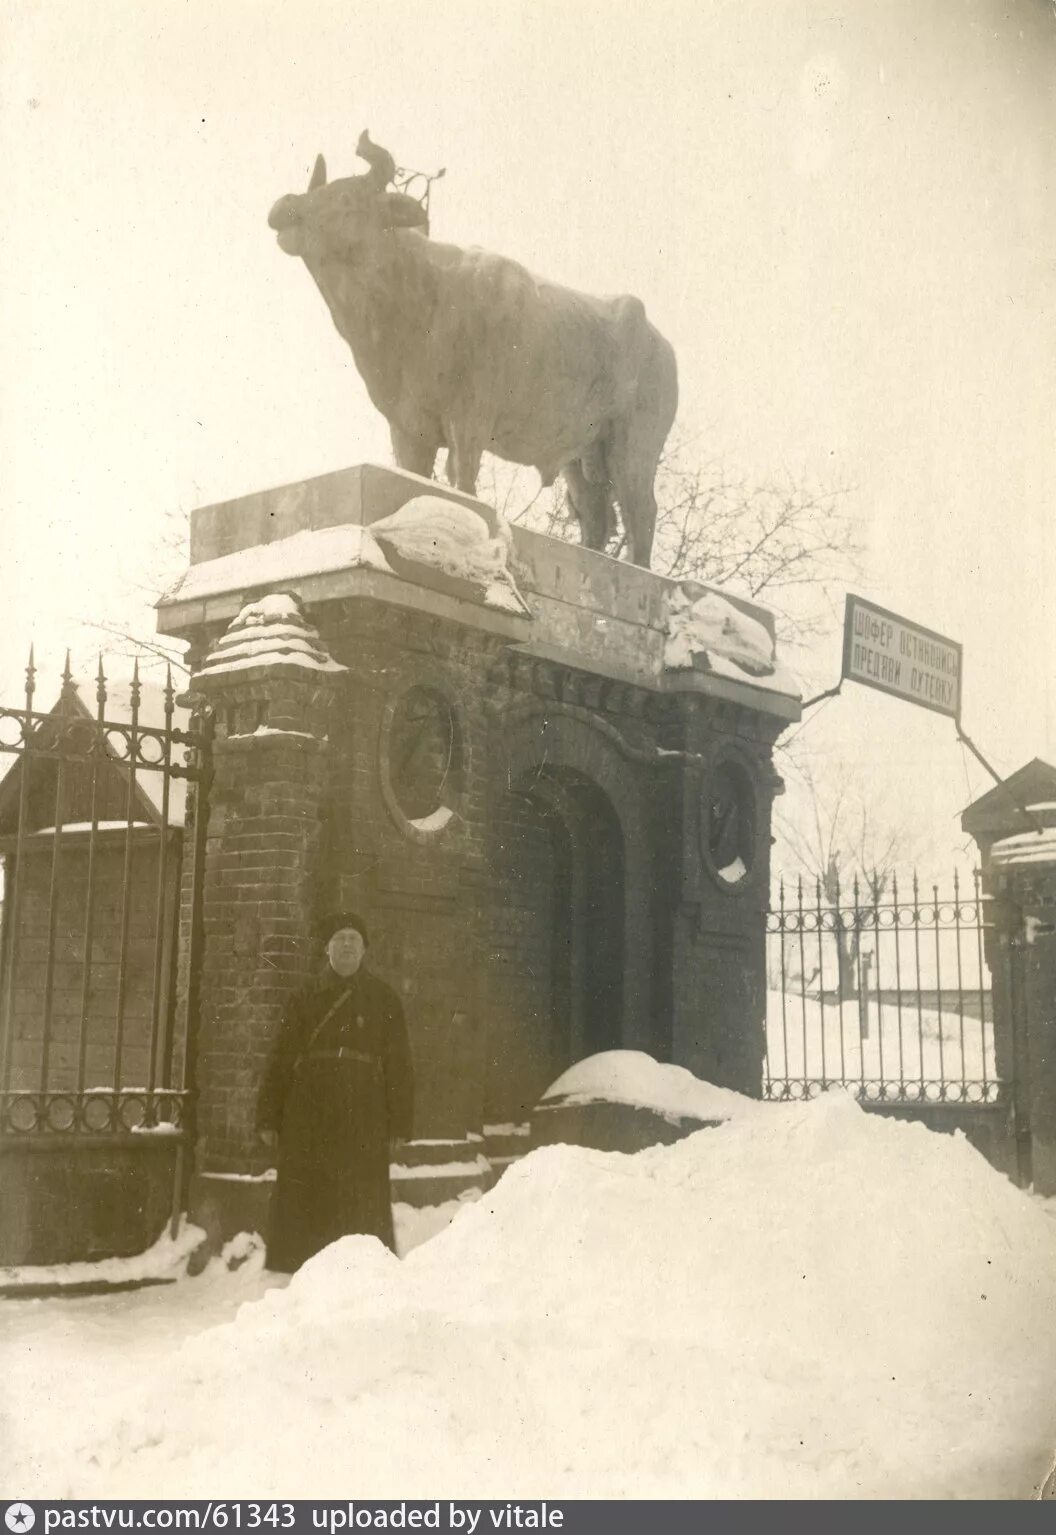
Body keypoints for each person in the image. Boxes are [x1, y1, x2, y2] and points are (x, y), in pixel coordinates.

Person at [257, 912, 413, 1273]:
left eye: (354, 940)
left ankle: (361, 1273)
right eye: (340, 938)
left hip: (365, 1108)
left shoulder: (383, 998)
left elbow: (399, 1065)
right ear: (327, 948)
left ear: (364, 950)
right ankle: (303, 1272)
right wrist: (268, 1115)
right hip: (310, 1107)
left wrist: (400, 1123)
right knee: (309, 1189)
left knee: (360, 1193)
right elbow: (281, 1056)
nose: (347, 945)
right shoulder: (304, 996)